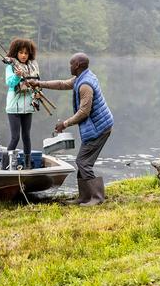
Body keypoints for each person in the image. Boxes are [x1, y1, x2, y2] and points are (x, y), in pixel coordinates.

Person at [27, 53, 113, 206]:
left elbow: (84, 112)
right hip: (99, 125)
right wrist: (38, 83)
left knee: (83, 162)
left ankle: (96, 198)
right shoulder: (82, 77)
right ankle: (84, 197)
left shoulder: (85, 85)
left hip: (99, 128)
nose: (69, 66)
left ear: (78, 65)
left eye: (71, 63)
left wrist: (64, 124)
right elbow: (61, 84)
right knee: (83, 161)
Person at [5, 37, 40, 170]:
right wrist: (17, 76)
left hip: (28, 107)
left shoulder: (33, 66)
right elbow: (10, 83)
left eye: (26, 53)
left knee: (26, 136)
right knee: (15, 137)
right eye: (21, 52)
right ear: (16, 52)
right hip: (14, 107)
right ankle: (6, 164)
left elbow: (37, 83)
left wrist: (38, 92)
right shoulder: (10, 66)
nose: (24, 55)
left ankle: (27, 165)